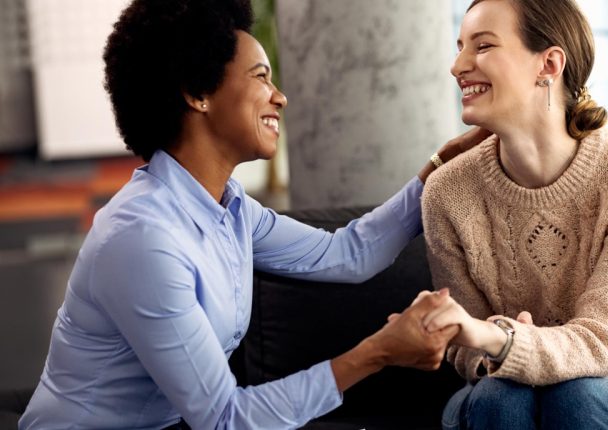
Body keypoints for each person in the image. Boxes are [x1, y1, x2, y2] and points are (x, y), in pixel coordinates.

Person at [18, 0, 487, 428]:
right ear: (198, 93)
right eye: (261, 77)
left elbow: (350, 252)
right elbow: (225, 419)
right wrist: (378, 353)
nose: (279, 96)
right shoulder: (143, 240)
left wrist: (439, 167)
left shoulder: (231, 207)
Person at [417, 0, 608, 428]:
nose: (458, 65)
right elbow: (463, 344)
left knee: (577, 395)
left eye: (483, 46)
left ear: (549, 63)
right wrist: (498, 350)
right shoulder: (447, 191)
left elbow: (603, 341)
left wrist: (503, 338)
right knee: (501, 397)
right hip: (500, 390)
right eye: (460, 47)